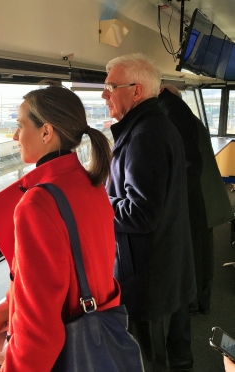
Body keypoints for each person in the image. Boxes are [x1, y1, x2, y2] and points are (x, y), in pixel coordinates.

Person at [0, 82, 121, 372]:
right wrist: (14, 299)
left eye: (21, 126)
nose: (16, 136)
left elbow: (39, 331)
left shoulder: (38, 203)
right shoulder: (89, 183)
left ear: (46, 132)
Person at [102, 53, 196, 372]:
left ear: (136, 91)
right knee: (170, 351)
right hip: (162, 263)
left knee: (149, 358)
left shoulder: (146, 136)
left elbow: (141, 214)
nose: (104, 94)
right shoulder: (152, 126)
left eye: (111, 86)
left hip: (148, 273)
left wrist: (99, 203)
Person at [158, 84, 234, 315]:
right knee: (203, 252)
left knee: (198, 253)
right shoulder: (189, 118)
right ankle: (202, 300)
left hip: (199, 197)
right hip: (208, 193)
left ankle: (198, 302)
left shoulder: (174, 118)